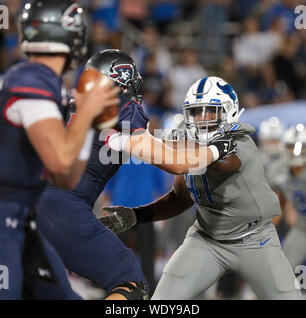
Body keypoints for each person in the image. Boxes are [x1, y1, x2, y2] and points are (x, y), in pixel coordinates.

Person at [36, 61, 237, 299]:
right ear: (121, 84)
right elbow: (175, 164)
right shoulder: (123, 109)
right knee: (132, 284)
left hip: (24, 205)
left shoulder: (68, 107)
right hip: (62, 208)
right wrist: (215, 150)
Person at [101, 76, 304, 300]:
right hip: (207, 239)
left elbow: (191, 163)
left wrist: (131, 142)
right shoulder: (192, 144)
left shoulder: (238, 142)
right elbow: (179, 199)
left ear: (228, 112)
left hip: (255, 239)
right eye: (197, 112)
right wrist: (137, 215)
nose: (203, 118)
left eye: (211, 111)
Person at [0, 0, 120, 300]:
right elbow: (58, 160)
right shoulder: (31, 79)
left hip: (22, 223)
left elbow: (65, 177)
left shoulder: (44, 83)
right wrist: (88, 110)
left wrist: (89, 124)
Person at [280, 125, 306, 272]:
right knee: (285, 268)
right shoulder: (278, 169)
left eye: (301, 146)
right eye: (291, 146)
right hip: (301, 226)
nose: (296, 151)